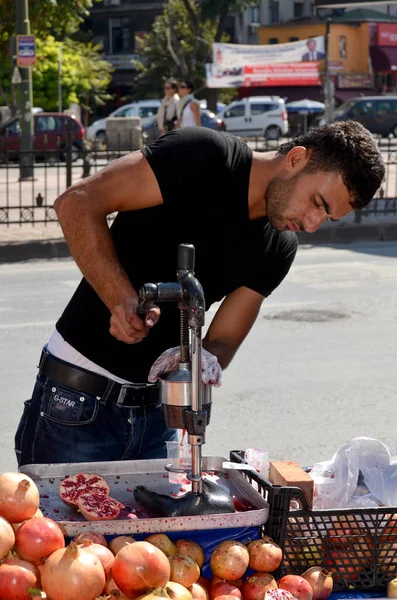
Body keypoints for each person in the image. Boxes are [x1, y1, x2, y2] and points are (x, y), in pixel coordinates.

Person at [14, 121, 385, 467]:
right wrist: (119, 299)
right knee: (57, 538)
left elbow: (222, 340)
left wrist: (201, 359)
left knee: (149, 540)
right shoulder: (206, 156)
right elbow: (77, 202)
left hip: (160, 420)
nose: (312, 224)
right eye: (318, 203)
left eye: (328, 218)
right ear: (296, 158)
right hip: (75, 402)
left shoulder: (278, 247)